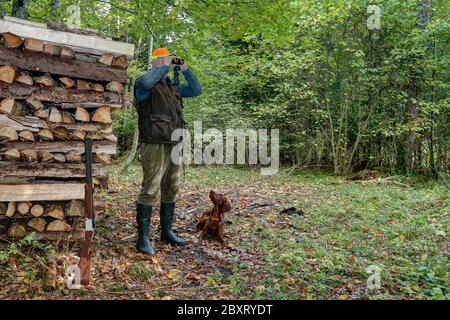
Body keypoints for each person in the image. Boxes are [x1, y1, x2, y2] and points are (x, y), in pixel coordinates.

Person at [133, 47, 202, 255]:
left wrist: (186, 69)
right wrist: (164, 64)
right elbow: (146, 82)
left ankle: (166, 231)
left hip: (175, 142)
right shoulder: (144, 84)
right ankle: (142, 238)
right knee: (150, 187)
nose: (169, 64)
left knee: (172, 185)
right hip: (154, 142)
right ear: (156, 63)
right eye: (163, 61)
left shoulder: (173, 87)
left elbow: (196, 90)